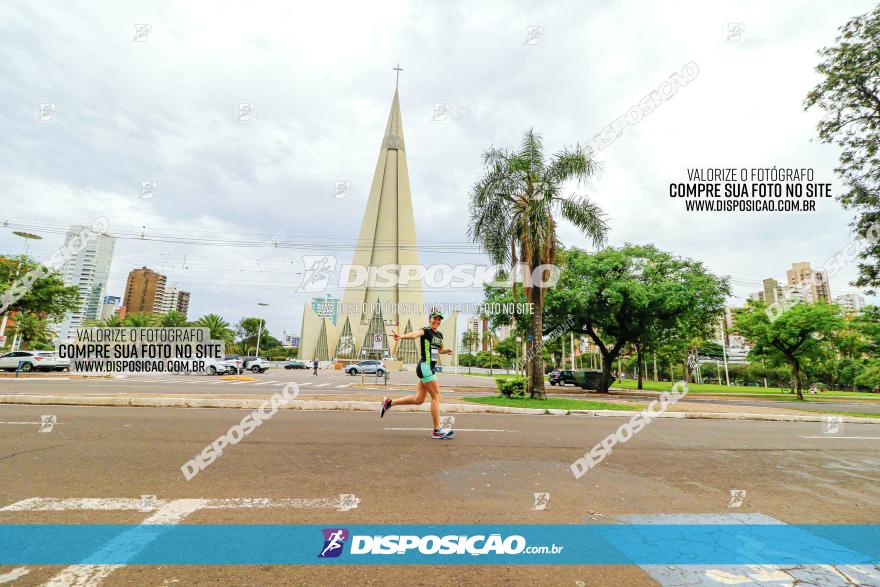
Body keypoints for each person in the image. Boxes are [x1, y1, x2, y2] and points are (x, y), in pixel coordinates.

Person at [380, 310, 454, 439]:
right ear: (429, 319)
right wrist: (401, 336)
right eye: (434, 319)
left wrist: (447, 350)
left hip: (427, 368)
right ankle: (437, 430)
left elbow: (440, 350)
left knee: (418, 400)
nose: (437, 321)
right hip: (425, 366)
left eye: (439, 319)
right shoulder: (425, 331)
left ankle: (389, 403)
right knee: (436, 397)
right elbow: (414, 334)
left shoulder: (439, 335)